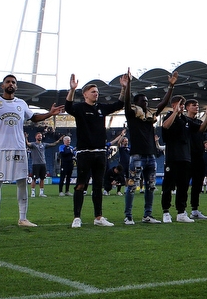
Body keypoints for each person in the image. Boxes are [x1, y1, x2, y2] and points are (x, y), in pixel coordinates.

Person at [0, 74, 64, 228]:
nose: (11, 84)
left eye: (13, 82)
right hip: (0, 147)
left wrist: (50, 113)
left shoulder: (21, 103)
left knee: (22, 182)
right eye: (8, 82)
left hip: (19, 147)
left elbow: (34, 118)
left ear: (16, 87)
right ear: (2, 86)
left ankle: (23, 219)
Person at [64, 73, 127, 227]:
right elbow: (67, 107)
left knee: (98, 185)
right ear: (85, 94)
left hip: (100, 153)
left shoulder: (101, 108)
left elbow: (119, 104)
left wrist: (124, 88)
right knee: (80, 184)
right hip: (84, 153)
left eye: (97, 92)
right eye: (93, 91)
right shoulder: (79, 108)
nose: (96, 94)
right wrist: (72, 90)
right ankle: (77, 217)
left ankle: (98, 217)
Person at [121, 68, 175, 225]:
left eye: (146, 100)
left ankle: (148, 215)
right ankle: (128, 216)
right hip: (137, 155)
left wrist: (170, 87)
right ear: (136, 103)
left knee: (151, 187)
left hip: (150, 155)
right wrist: (128, 84)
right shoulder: (132, 115)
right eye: (142, 100)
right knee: (132, 186)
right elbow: (126, 102)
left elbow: (163, 103)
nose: (146, 102)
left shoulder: (151, 115)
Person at [26, 131, 61, 198]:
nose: (40, 137)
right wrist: (26, 138)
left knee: (42, 178)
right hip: (35, 164)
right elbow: (28, 144)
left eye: (41, 136)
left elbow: (53, 144)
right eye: (38, 136)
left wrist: (59, 140)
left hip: (43, 164)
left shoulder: (44, 145)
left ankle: (41, 192)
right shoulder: (33, 144)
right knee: (34, 178)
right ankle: (33, 192)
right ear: (35, 137)